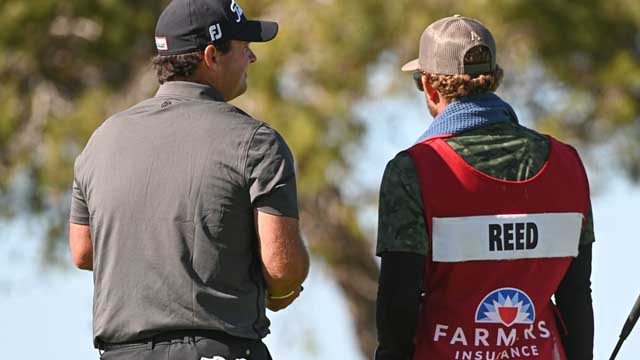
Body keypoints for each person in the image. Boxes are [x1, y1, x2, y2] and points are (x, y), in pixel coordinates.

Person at [68, 0, 309, 358]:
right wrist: (282, 287)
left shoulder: (101, 139)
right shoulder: (257, 142)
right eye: (245, 48)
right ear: (211, 56)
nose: (252, 59)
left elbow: (83, 250)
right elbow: (282, 267)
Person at [375, 15, 594, 360]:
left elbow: (397, 303)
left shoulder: (413, 170)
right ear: (493, 80)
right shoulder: (567, 163)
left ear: (431, 86)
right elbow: (576, 296)